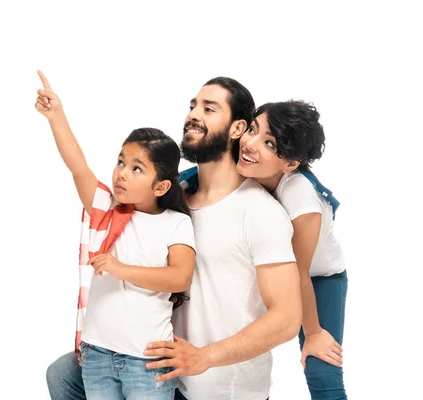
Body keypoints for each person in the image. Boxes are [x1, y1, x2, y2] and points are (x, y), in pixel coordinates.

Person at [46, 76, 302, 400]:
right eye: (193, 106)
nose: (194, 114)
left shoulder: (260, 212)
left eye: (209, 109)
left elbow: (287, 320)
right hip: (157, 368)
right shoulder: (176, 194)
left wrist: (204, 357)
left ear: (238, 128)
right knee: (64, 375)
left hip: (219, 389)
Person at [35, 71, 197, 400]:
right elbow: (78, 167)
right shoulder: (106, 209)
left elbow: (180, 276)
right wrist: (56, 116)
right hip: (97, 355)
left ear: (161, 186)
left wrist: (121, 269)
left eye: (137, 168)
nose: (121, 173)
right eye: (121, 161)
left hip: (146, 360)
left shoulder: (175, 223)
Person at [234, 100, 347, 399]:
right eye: (253, 129)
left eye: (268, 143)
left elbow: (300, 272)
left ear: (291, 163)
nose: (250, 144)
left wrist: (312, 333)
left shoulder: (300, 196)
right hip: (279, 271)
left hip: (319, 279)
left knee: (322, 368)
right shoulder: (251, 164)